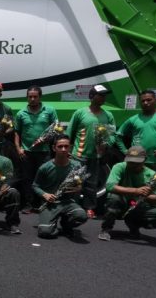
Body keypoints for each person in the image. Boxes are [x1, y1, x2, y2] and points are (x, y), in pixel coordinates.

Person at [98, 146, 156, 241]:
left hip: (138, 206)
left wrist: (146, 195)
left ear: (145, 160)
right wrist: (136, 191)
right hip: (121, 204)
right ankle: (106, 228)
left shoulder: (152, 175)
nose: (133, 165)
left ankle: (134, 224)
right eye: (130, 162)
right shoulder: (119, 167)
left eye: (136, 162)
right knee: (114, 197)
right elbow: (110, 186)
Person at [67, 84, 115, 218]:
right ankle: (73, 206)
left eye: (104, 95)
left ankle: (89, 208)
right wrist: (67, 150)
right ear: (92, 96)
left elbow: (112, 135)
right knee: (75, 182)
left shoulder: (108, 115)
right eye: (100, 95)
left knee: (91, 183)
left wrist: (106, 145)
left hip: (96, 156)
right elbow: (70, 132)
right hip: (79, 155)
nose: (103, 98)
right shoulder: (80, 113)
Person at [33, 135, 87, 238]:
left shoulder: (77, 166)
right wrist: (44, 194)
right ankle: (52, 225)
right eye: (60, 146)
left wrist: (79, 188)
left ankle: (66, 225)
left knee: (81, 216)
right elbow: (35, 186)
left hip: (67, 202)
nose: (63, 149)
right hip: (50, 204)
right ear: (54, 148)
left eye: (66, 146)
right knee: (45, 232)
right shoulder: (45, 167)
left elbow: (80, 184)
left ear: (70, 147)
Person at [15, 85, 58, 212]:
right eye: (30, 97)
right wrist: (18, 148)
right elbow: (17, 132)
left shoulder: (49, 111)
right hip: (26, 152)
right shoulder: (21, 113)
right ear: (27, 98)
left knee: (44, 178)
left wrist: (48, 138)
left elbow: (56, 128)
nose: (32, 99)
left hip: (44, 152)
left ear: (40, 97)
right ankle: (28, 204)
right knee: (27, 178)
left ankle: (42, 203)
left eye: (35, 96)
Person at [117, 90, 156, 168]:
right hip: (136, 161)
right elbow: (118, 136)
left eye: (149, 100)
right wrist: (126, 151)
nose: (145, 102)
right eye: (143, 101)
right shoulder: (133, 119)